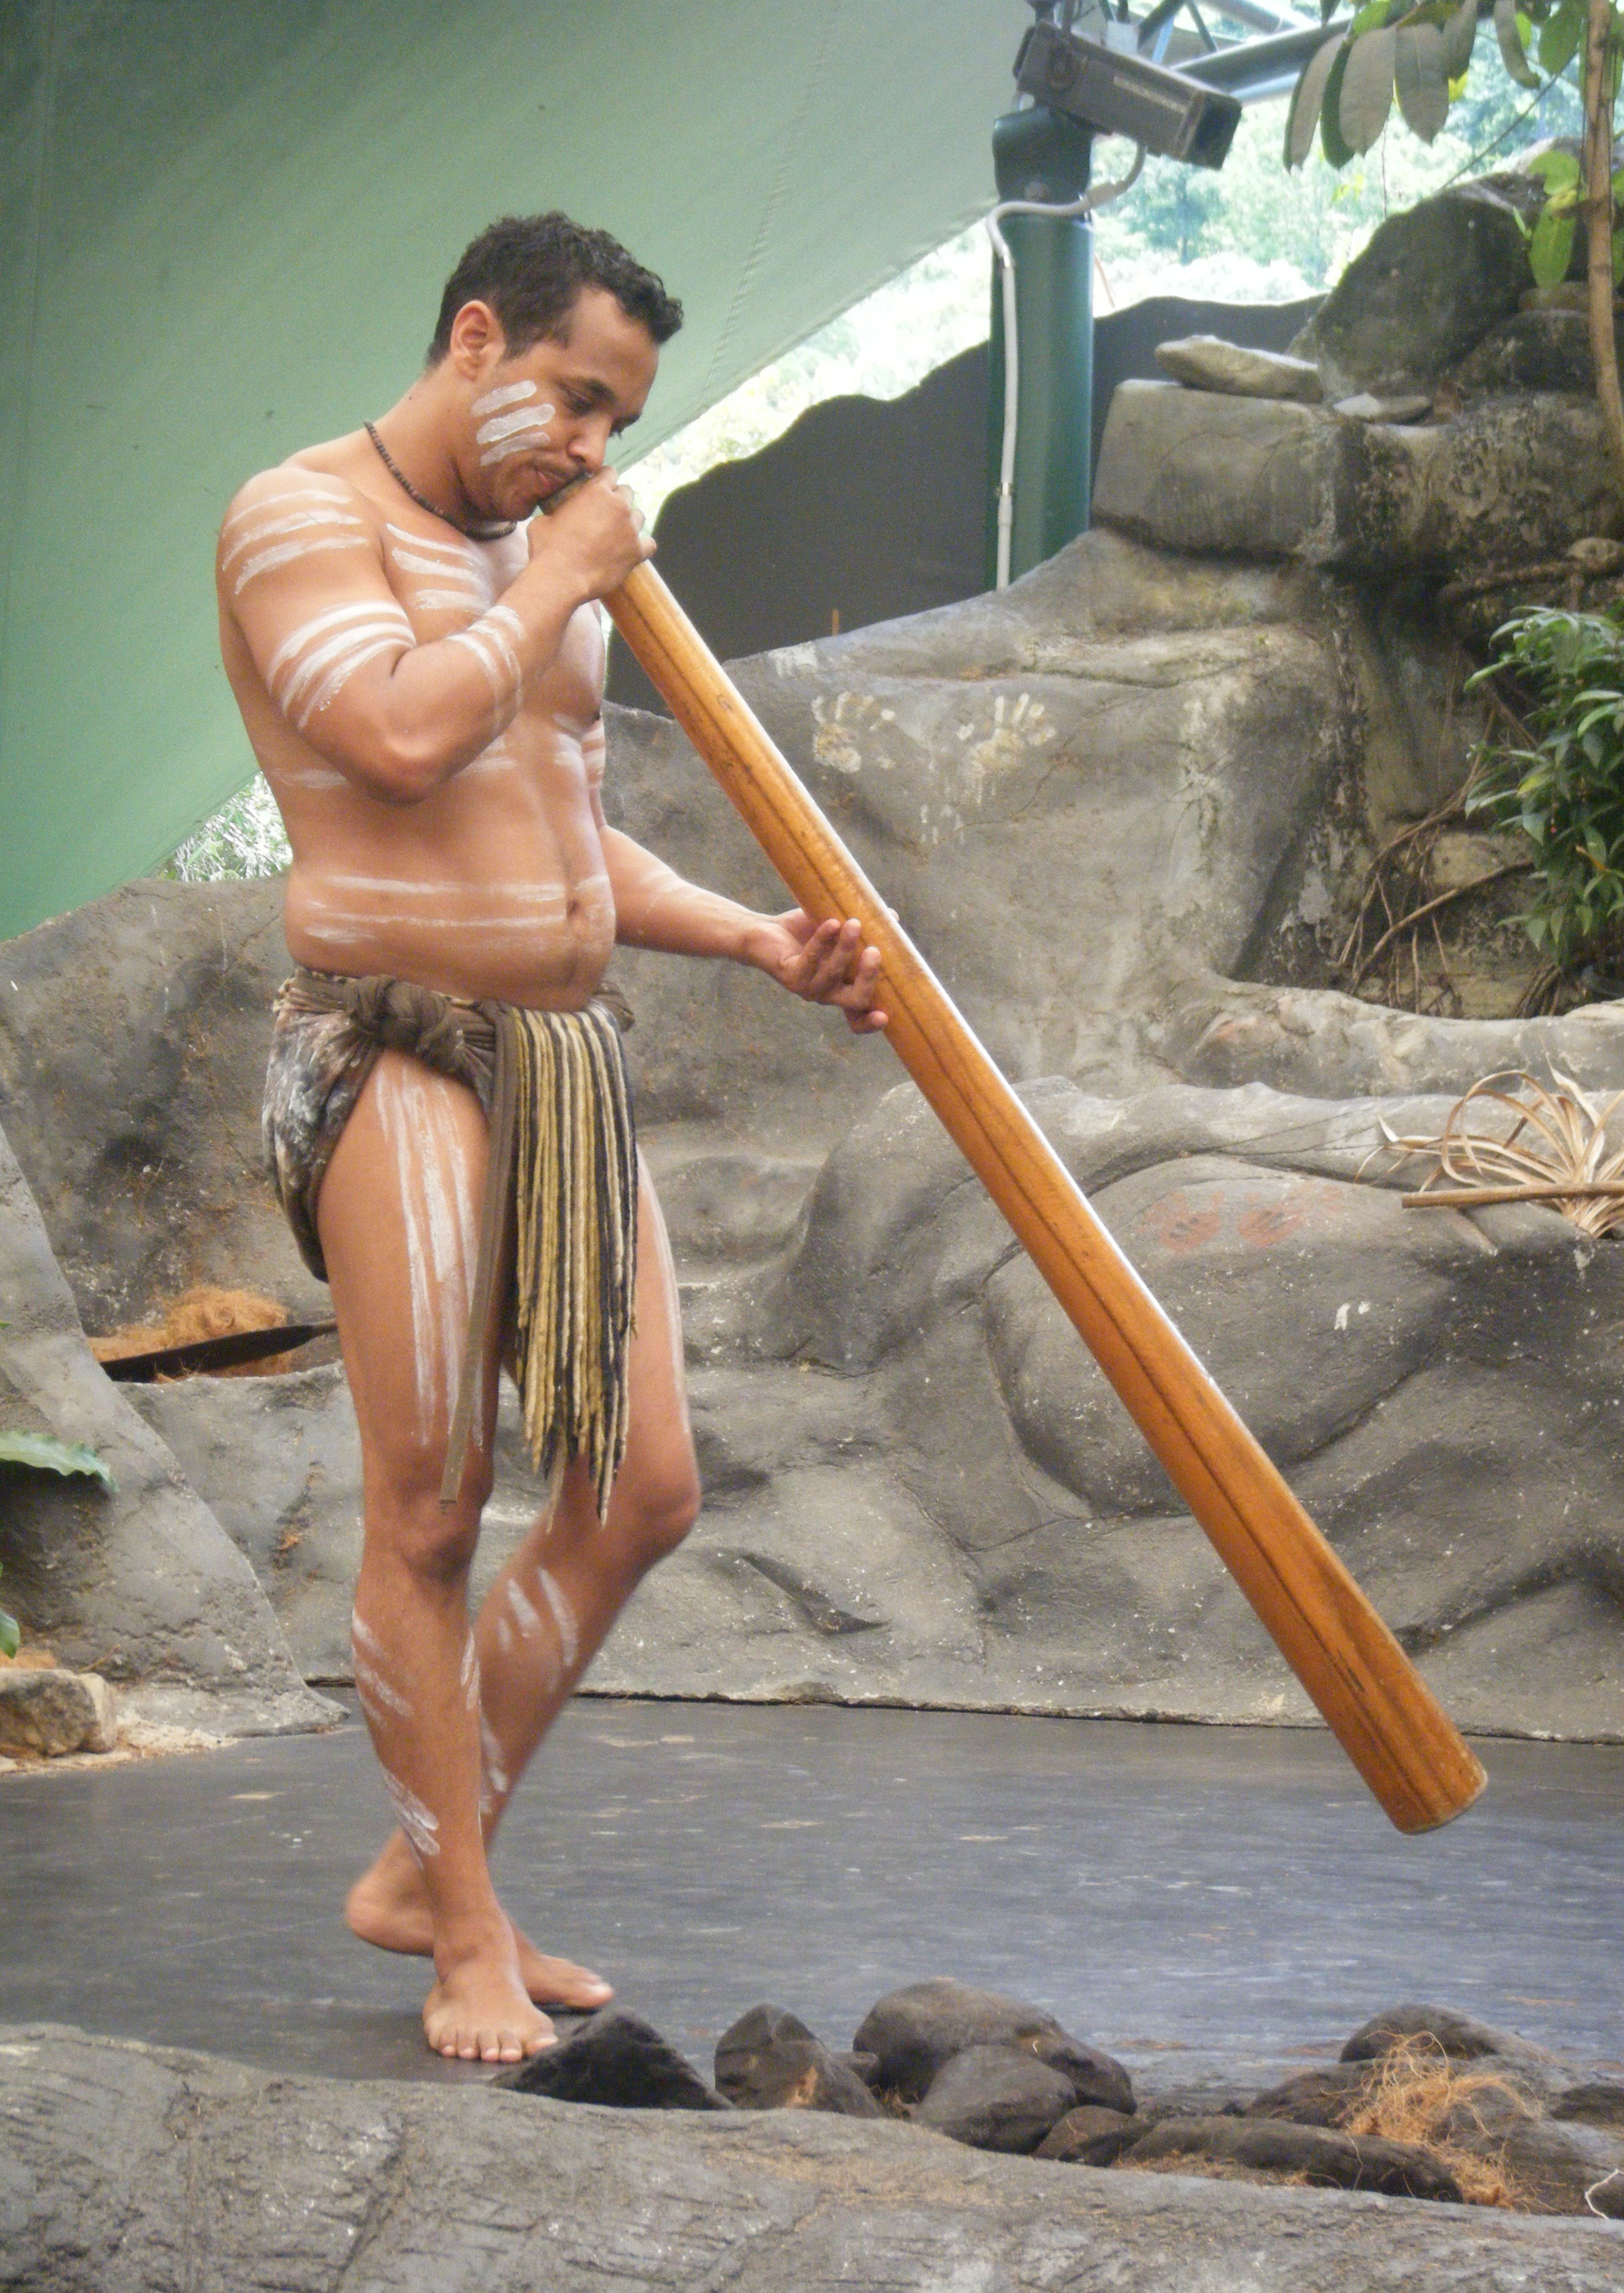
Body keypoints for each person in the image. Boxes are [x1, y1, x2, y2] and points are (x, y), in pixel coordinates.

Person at [216, 214, 886, 2064]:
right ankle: (463, 1936)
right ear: (475, 338)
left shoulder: (544, 557)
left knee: (644, 1489)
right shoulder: (298, 518)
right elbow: (400, 736)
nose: (592, 446)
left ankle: (424, 1869)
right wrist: (566, 575)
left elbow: (561, 823)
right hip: (397, 1049)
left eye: (618, 422)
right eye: (577, 397)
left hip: (565, 1063)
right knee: (431, 1514)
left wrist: (757, 938)